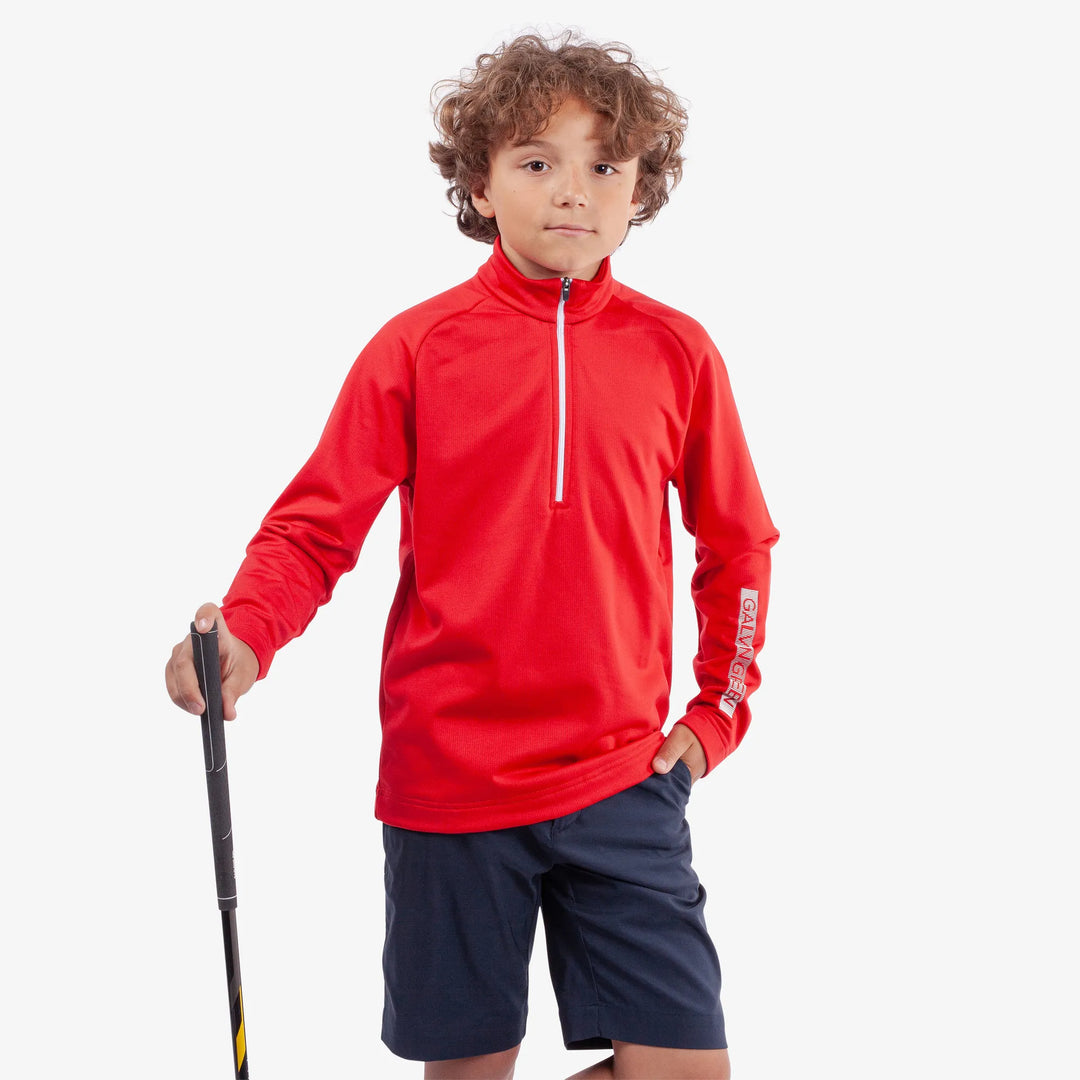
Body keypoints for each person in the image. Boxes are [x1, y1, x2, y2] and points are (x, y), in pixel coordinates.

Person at [166, 31, 778, 1080]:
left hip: (623, 775)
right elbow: (314, 529)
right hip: (449, 786)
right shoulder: (417, 348)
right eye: (538, 161)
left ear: (640, 191)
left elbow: (739, 542)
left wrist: (717, 713)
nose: (574, 190)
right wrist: (248, 637)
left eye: (606, 165)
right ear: (482, 186)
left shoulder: (678, 353)